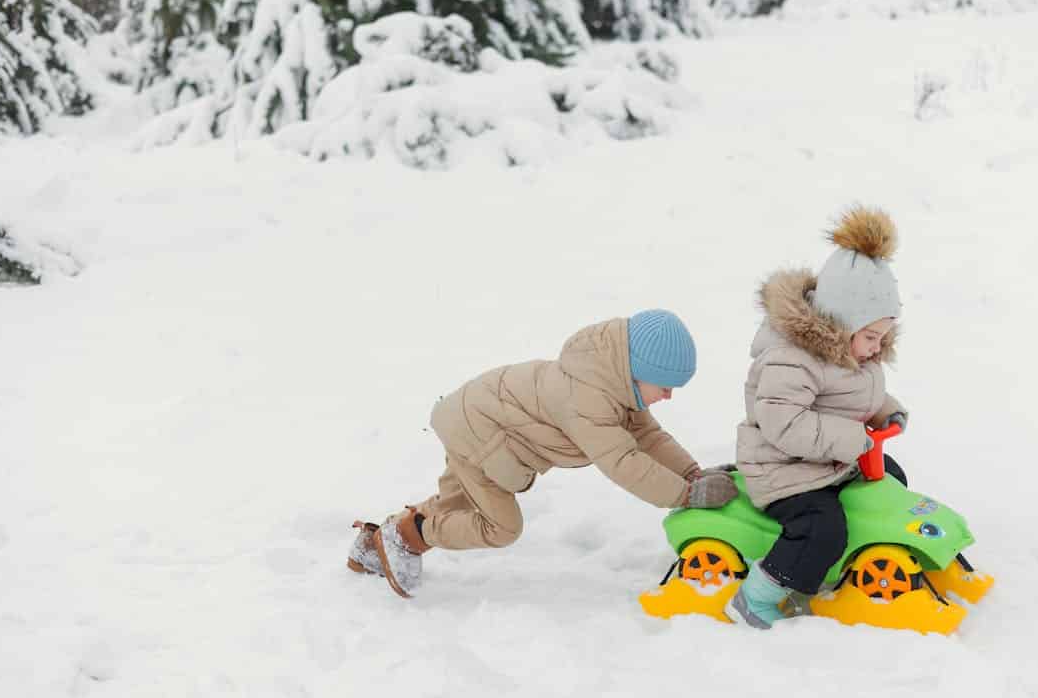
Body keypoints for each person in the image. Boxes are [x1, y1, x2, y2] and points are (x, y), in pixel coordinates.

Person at [348, 309, 738, 598]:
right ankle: (406, 534)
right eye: (665, 386)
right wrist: (686, 496)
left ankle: (371, 548)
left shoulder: (612, 385)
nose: (668, 396)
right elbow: (623, 462)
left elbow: (649, 438)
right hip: (480, 435)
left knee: (457, 504)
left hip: (477, 418)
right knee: (500, 526)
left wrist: (692, 474)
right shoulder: (588, 399)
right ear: (636, 370)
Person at [726, 206, 910, 629]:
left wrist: (886, 411)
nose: (876, 348)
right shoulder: (791, 360)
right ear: (841, 322)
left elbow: (852, 396)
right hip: (785, 471)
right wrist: (851, 438)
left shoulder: (850, 351)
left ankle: (853, 559)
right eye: (871, 337)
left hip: (825, 461)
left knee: (891, 479)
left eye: (883, 338)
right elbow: (783, 424)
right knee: (820, 527)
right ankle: (758, 597)